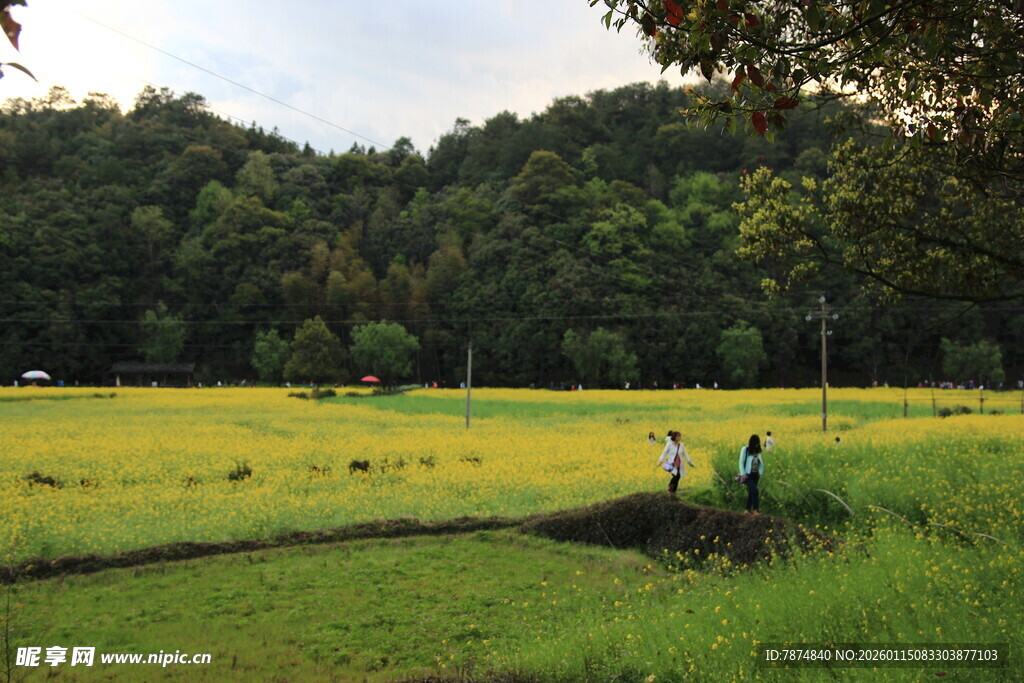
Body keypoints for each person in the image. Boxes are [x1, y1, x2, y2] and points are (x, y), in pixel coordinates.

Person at [738, 434, 764, 514]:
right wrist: (743, 473)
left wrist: (760, 472)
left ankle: (747, 510)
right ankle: (756, 510)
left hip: (755, 475)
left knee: (751, 492)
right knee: (755, 491)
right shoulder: (745, 449)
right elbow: (741, 462)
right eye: (756, 443)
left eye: (758, 443)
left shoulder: (758, 451)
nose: (757, 444)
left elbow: (759, 462)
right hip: (747, 475)